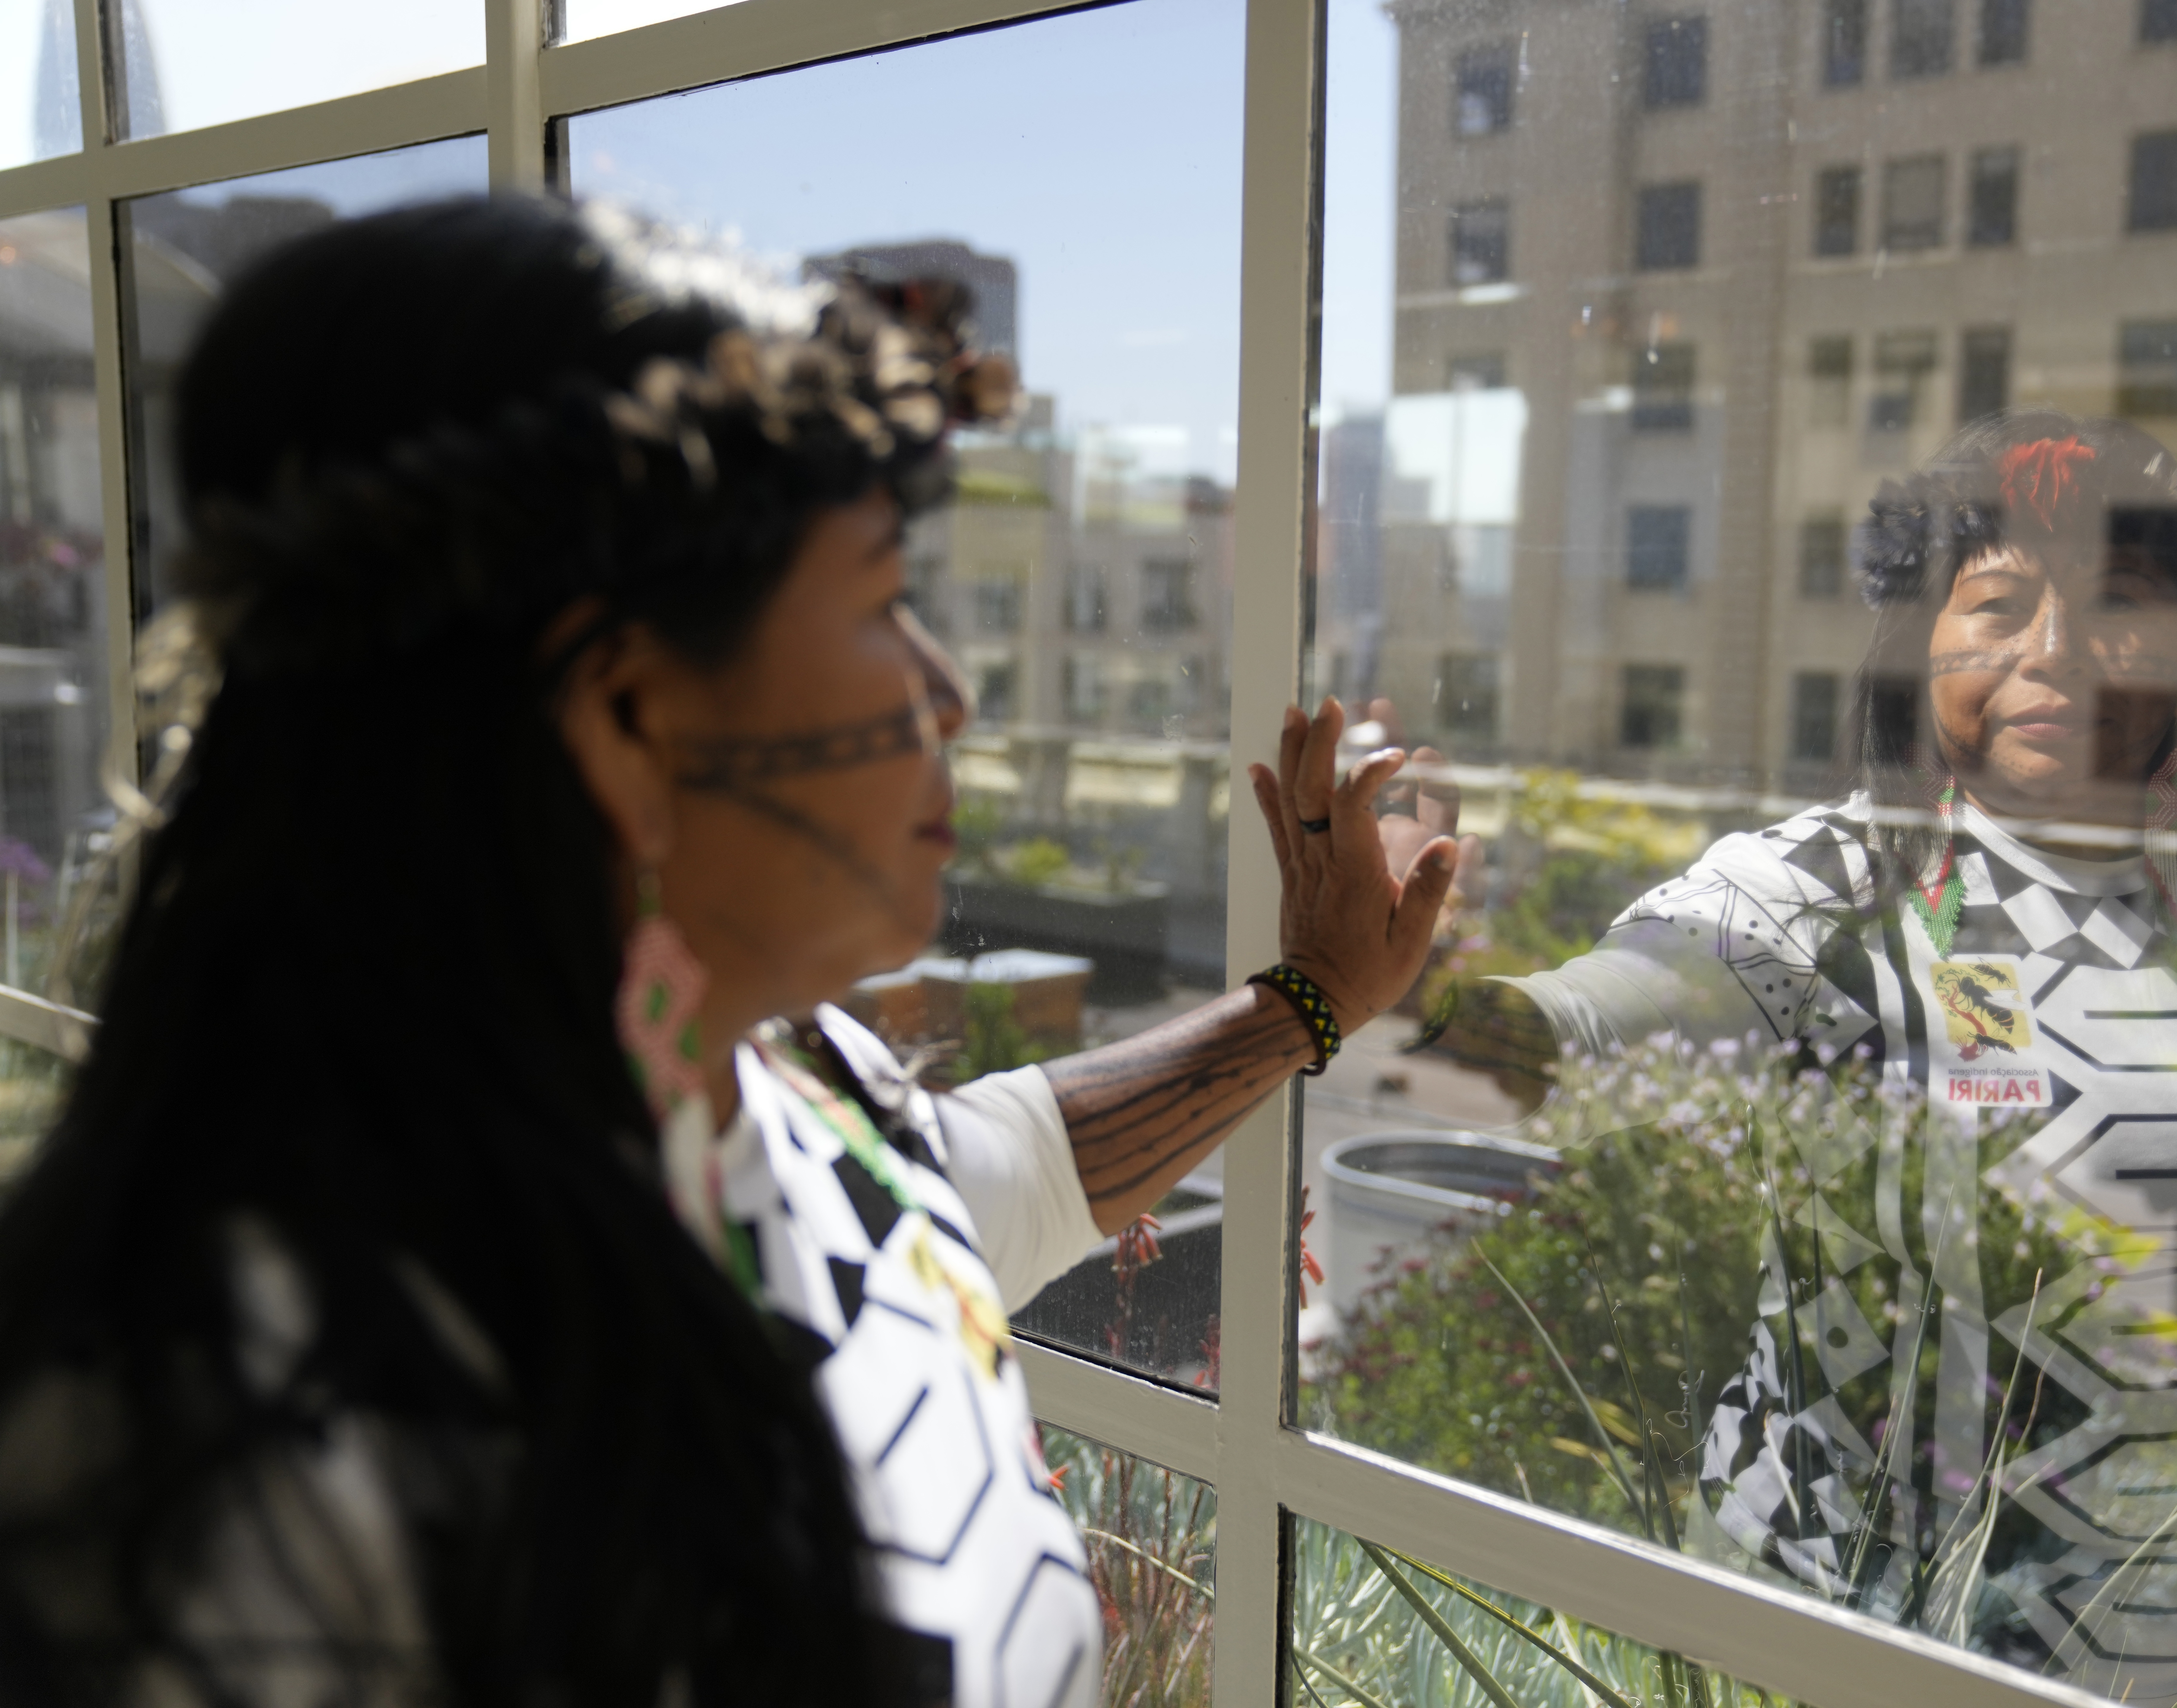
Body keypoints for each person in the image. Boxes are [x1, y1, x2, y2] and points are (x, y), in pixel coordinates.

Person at [0, 197, 1454, 1708]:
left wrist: (1314, 1001)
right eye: (889, 605)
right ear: (630, 719)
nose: (949, 695)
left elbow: (980, 1179)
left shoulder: (786, 1090)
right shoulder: (236, 1461)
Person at [1491, 411, 2177, 1700]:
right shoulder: (1828, 888)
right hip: (1812, 1650)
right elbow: (1591, 1021)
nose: (2057, 653)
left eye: (2120, 602)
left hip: (2168, 1664)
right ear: (1922, 647)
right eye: (2000, 601)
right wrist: (1397, 1006)